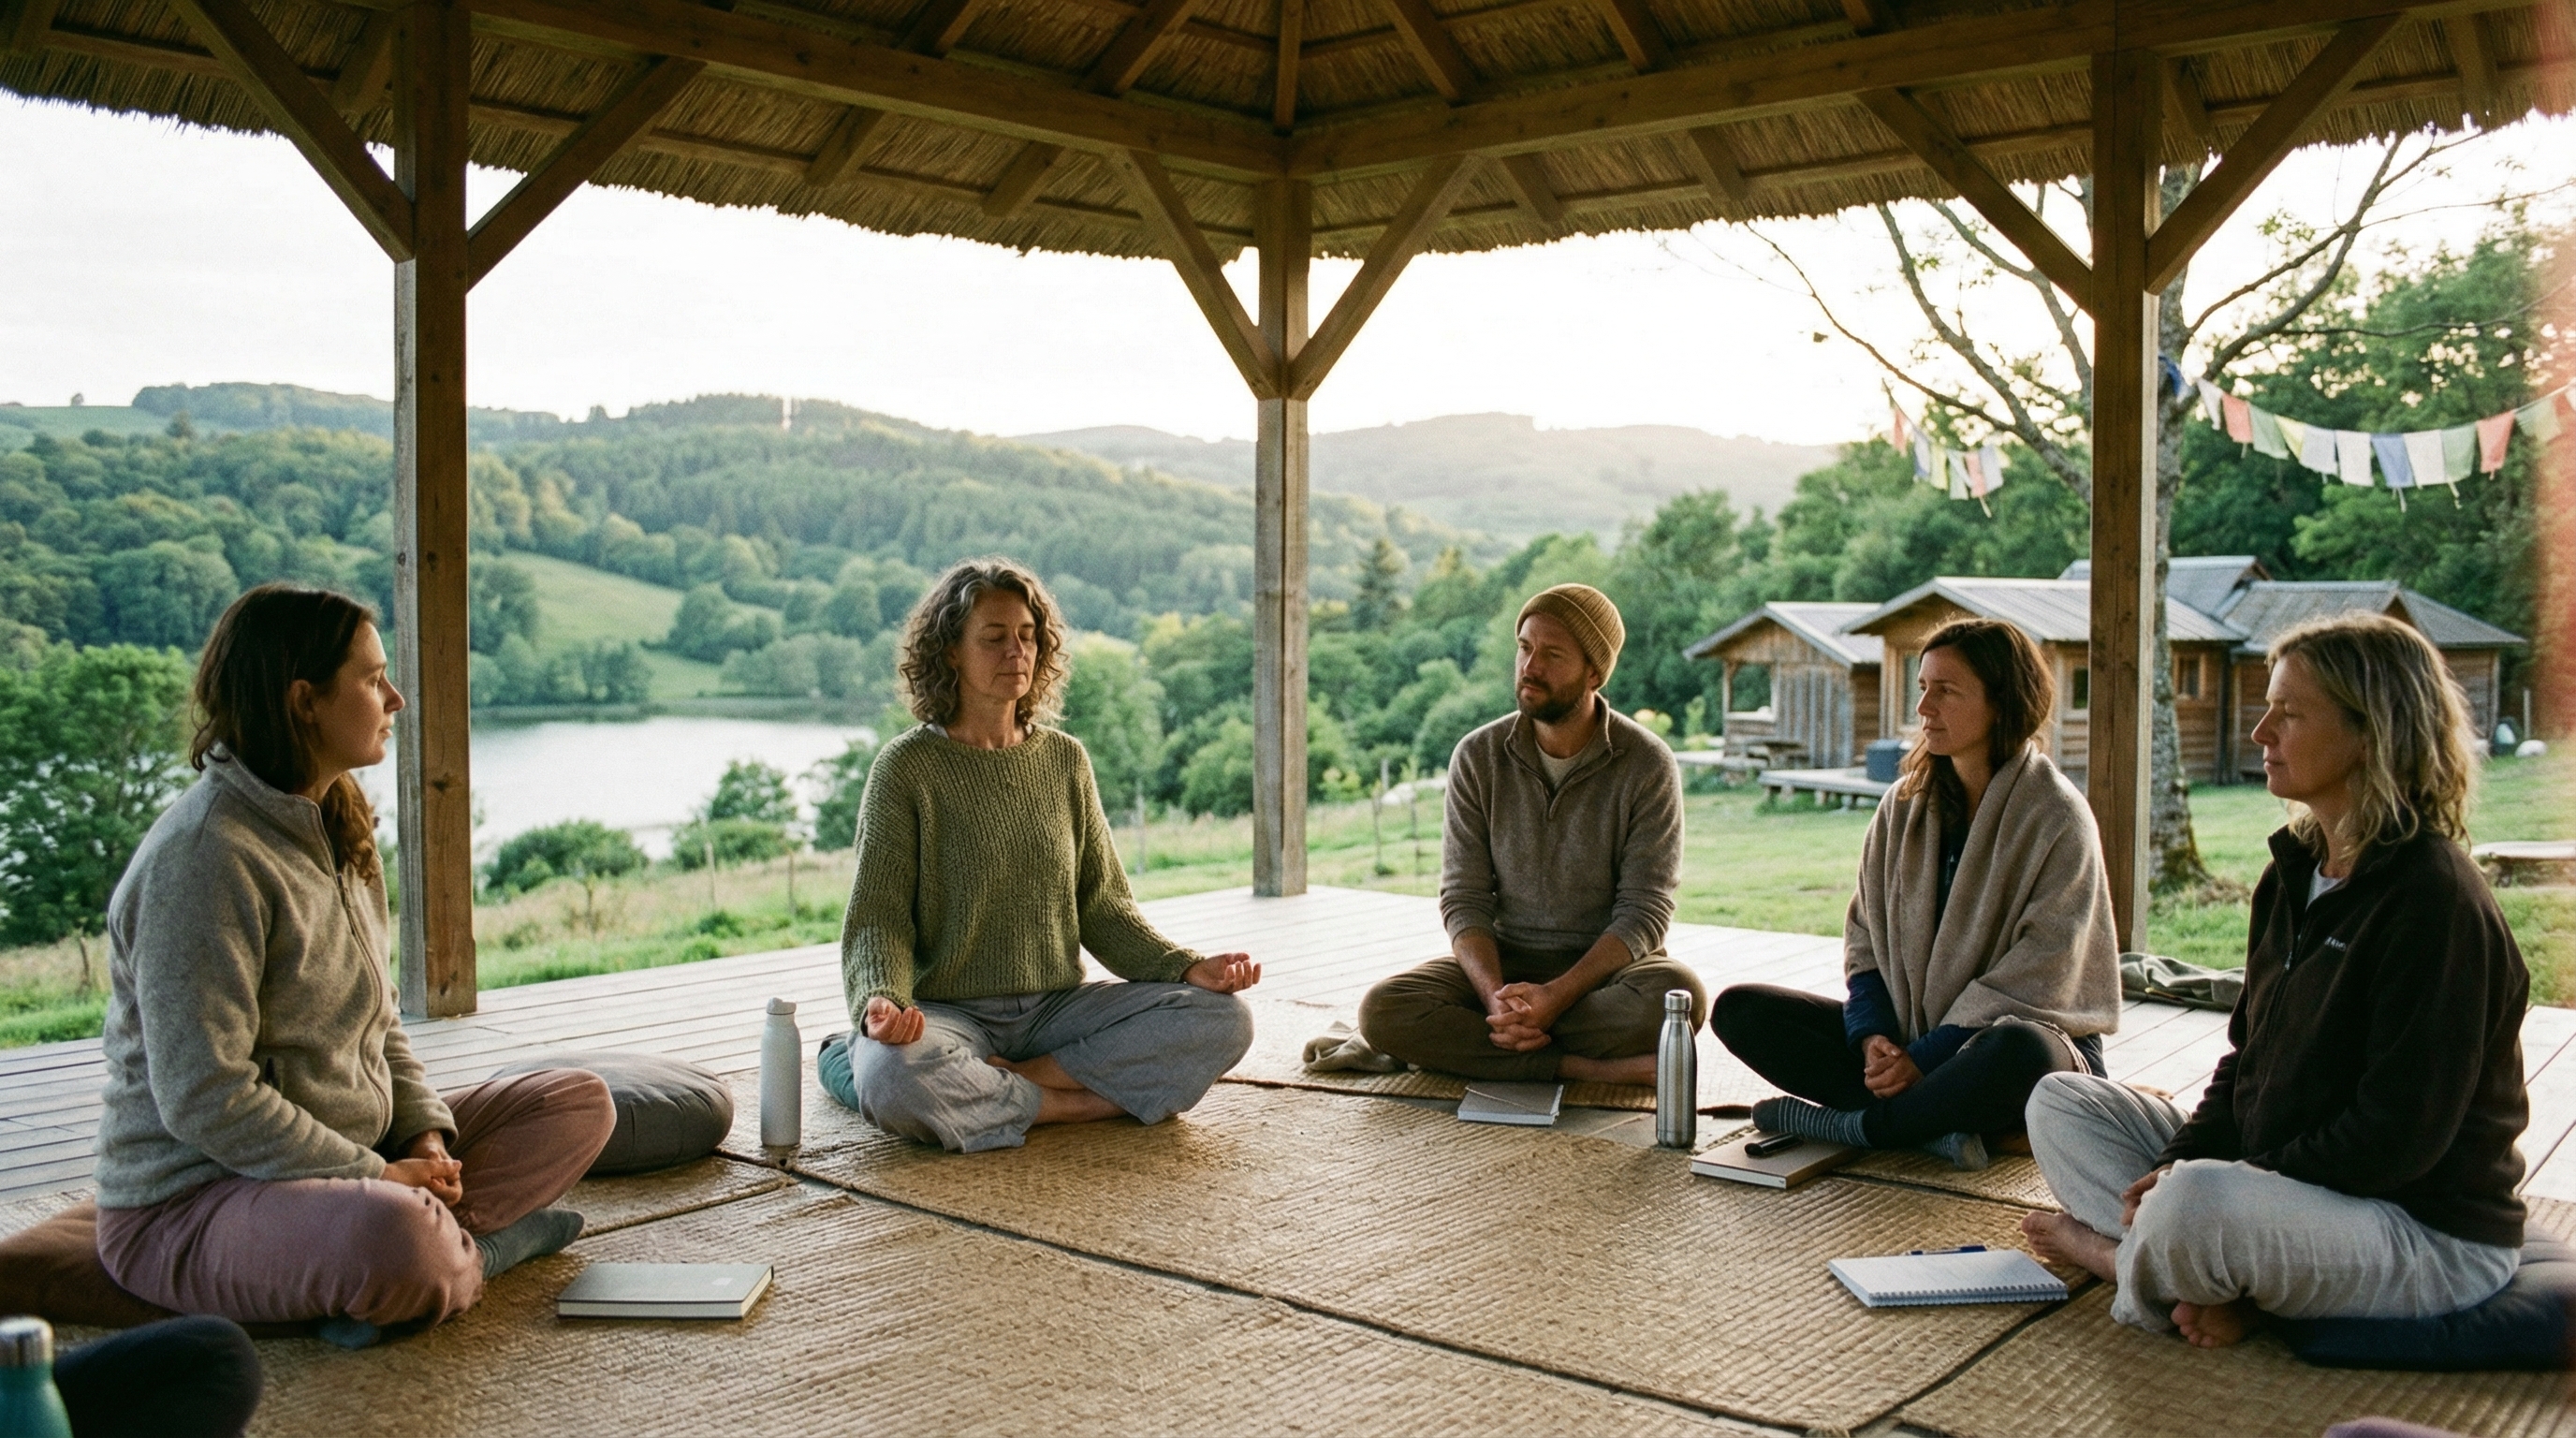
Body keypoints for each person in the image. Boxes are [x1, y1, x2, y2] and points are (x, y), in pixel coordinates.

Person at [94, 584, 615, 1343]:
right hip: (201, 1200)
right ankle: (475, 1252)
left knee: (578, 1102)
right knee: (395, 1239)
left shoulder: (337, 819)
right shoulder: (207, 858)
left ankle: (416, 1241)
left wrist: (423, 1140)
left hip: (354, 1163)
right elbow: (206, 1098)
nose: (395, 697)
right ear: (305, 700)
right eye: (373, 679)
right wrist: (376, 1180)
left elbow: (378, 1026)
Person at [2022, 613, 2527, 1347]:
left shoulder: (2432, 900)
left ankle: (2114, 1259)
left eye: (2289, 714)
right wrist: (2174, 1162)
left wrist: (2225, 1181)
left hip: (2419, 1228)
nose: (2261, 732)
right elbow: (2244, 1059)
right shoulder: (2293, 870)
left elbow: (2395, 1140)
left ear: (2371, 733)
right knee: (2059, 1100)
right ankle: (2207, 1270)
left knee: (2197, 1203)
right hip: (2284, 1181)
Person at [823, 558, 1258, 1153]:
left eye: (1028, 637)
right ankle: (1076, 1104)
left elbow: (1104, 908)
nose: (1017, 653)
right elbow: (879, 918)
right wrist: (883, 1001)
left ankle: (1009, 1088)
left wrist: (1186, 968)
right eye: (994, 638)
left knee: (1223, 1019)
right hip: (949, 1014)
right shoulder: (906, 770)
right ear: (950, 651)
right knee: (893, 1075)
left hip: (1056, 1010)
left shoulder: (1065, 761)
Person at [1714, 617, 2119, 1169]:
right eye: (1923, 687)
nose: (1925, 708)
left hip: (2009, 1049)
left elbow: (2045, 969)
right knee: (1740, 1011)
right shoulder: (1903, 805)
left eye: (1946, 691)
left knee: (2020, 1051)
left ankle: (1865, 1127)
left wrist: (1924, 1059)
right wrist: (1875, 1041)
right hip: (1910, 1035)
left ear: (2002, 702)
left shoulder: (2055, 816)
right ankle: (1932, 1126)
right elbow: (1865, 938)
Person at [1357, 583, 1697, 1085]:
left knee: (1678, 996)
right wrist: (1498, 998)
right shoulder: (1478, 755)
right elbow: (1464, 898)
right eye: (1524, 647)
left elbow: (1645, 912)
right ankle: (1583, 1068)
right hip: (1504, 960)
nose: (1530, 666)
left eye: (1552, 654)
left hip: (1602, 974)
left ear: (1595, 673)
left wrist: (1554, 1000)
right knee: (1384, 1010)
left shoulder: (1647, 764)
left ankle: (1493, 1049)